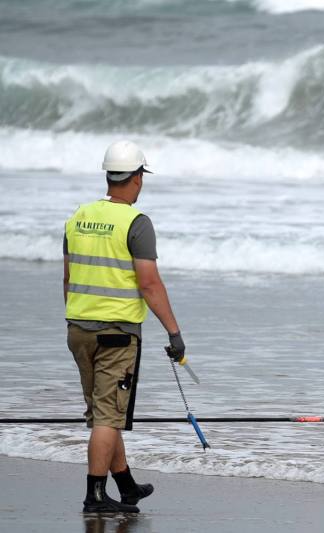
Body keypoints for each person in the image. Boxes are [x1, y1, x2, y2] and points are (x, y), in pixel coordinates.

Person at [63, 140, 186, 513]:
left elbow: (68, 278)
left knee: (104, 413)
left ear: (108, 175)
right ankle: (95, 496)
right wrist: (174, 333)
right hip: (117, 334)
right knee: (108, 416)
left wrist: (77, 319)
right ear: (136, 178)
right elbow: (149, 284)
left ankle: (126, 486)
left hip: (79, 329)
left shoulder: (78, 217)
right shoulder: (136, 223)